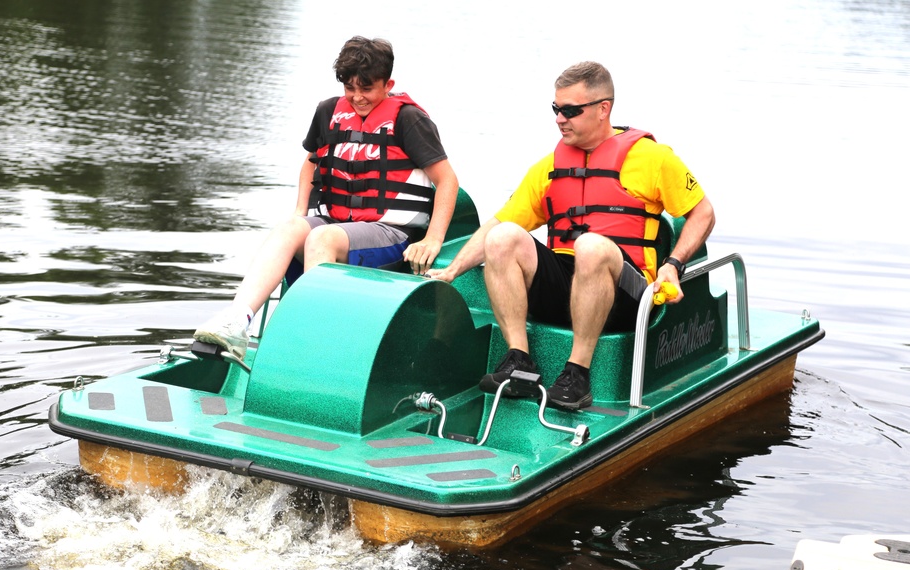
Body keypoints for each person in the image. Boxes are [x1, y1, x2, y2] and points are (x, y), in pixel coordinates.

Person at [427, 61, 715, 411]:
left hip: (629, 294)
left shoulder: (653, 158)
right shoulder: (548, 166)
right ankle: (519, 361)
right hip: (564, 286)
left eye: (570, 111)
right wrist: (452, 271)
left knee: (590, 246)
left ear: (602, 109)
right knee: (503, 237)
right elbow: (497, 223)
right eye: (555, 109)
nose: (559, 119)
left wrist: (674, 264)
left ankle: (576, 374)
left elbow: (702, 213)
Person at [194, 36, 459, 358]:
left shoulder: (408, 120)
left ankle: (313, 338)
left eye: (367, 89)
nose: (357, 97)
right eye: (350, 88)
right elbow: (311, 162)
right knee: (288, 230)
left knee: (322, 238)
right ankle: (236, 322)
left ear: (388, 83)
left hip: (390, 231)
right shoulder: (327, 112)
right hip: (337, 221)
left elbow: (447, 181)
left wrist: (432, 239)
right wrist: (299, 211)